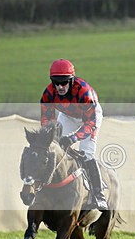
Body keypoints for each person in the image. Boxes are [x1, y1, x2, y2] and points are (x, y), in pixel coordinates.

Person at [40, 59, 108, 211]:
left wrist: (73, 138)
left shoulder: (84, 92)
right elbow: (47, 120)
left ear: (71, 81)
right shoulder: (48, 93)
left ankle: (99, 194)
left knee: (87, 153)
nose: (60, 86)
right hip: (67, 116)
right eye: (56, 82)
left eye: (64, 82)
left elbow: (90, 124)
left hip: (89, 118)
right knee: (55, 147)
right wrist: (50, 136)